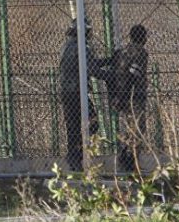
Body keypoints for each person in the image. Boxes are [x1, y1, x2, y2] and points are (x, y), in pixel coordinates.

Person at [104, 24, 149, 172]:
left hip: (122, 95)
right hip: (135, 97)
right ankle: (130, 162)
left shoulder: (122, 52)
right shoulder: (140, 53)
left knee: (130, 129)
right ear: (142, 37)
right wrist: (127, 94)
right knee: (138, 129)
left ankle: (125, 159)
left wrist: (119, 96)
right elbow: (133, 74)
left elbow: (115, 73)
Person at [59, 18, 102, 172]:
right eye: (88, 31)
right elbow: (93, 69)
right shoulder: (82, 47)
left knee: (72, 126)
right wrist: (111, 75)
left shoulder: (67, 46)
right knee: (93, 123)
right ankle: (77, 154)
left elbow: (90, 64)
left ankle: (74, 158)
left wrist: (109, 61)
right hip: (77, 91)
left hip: (66, 91)